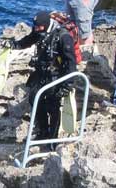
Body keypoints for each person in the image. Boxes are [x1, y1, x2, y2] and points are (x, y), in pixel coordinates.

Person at [9, 11, 78, 142]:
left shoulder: (63, 37)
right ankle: (43, 131)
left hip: (56, 76)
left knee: (53, 106)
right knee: (34, 99)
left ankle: (52, 139)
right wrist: (15, 45)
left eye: (38, 27)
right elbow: (28, 40)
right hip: (41, 73)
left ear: (45, 25)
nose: (36, 29)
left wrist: (68, 84)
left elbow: (71, 62)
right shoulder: (40, 31)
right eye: (35, 27)